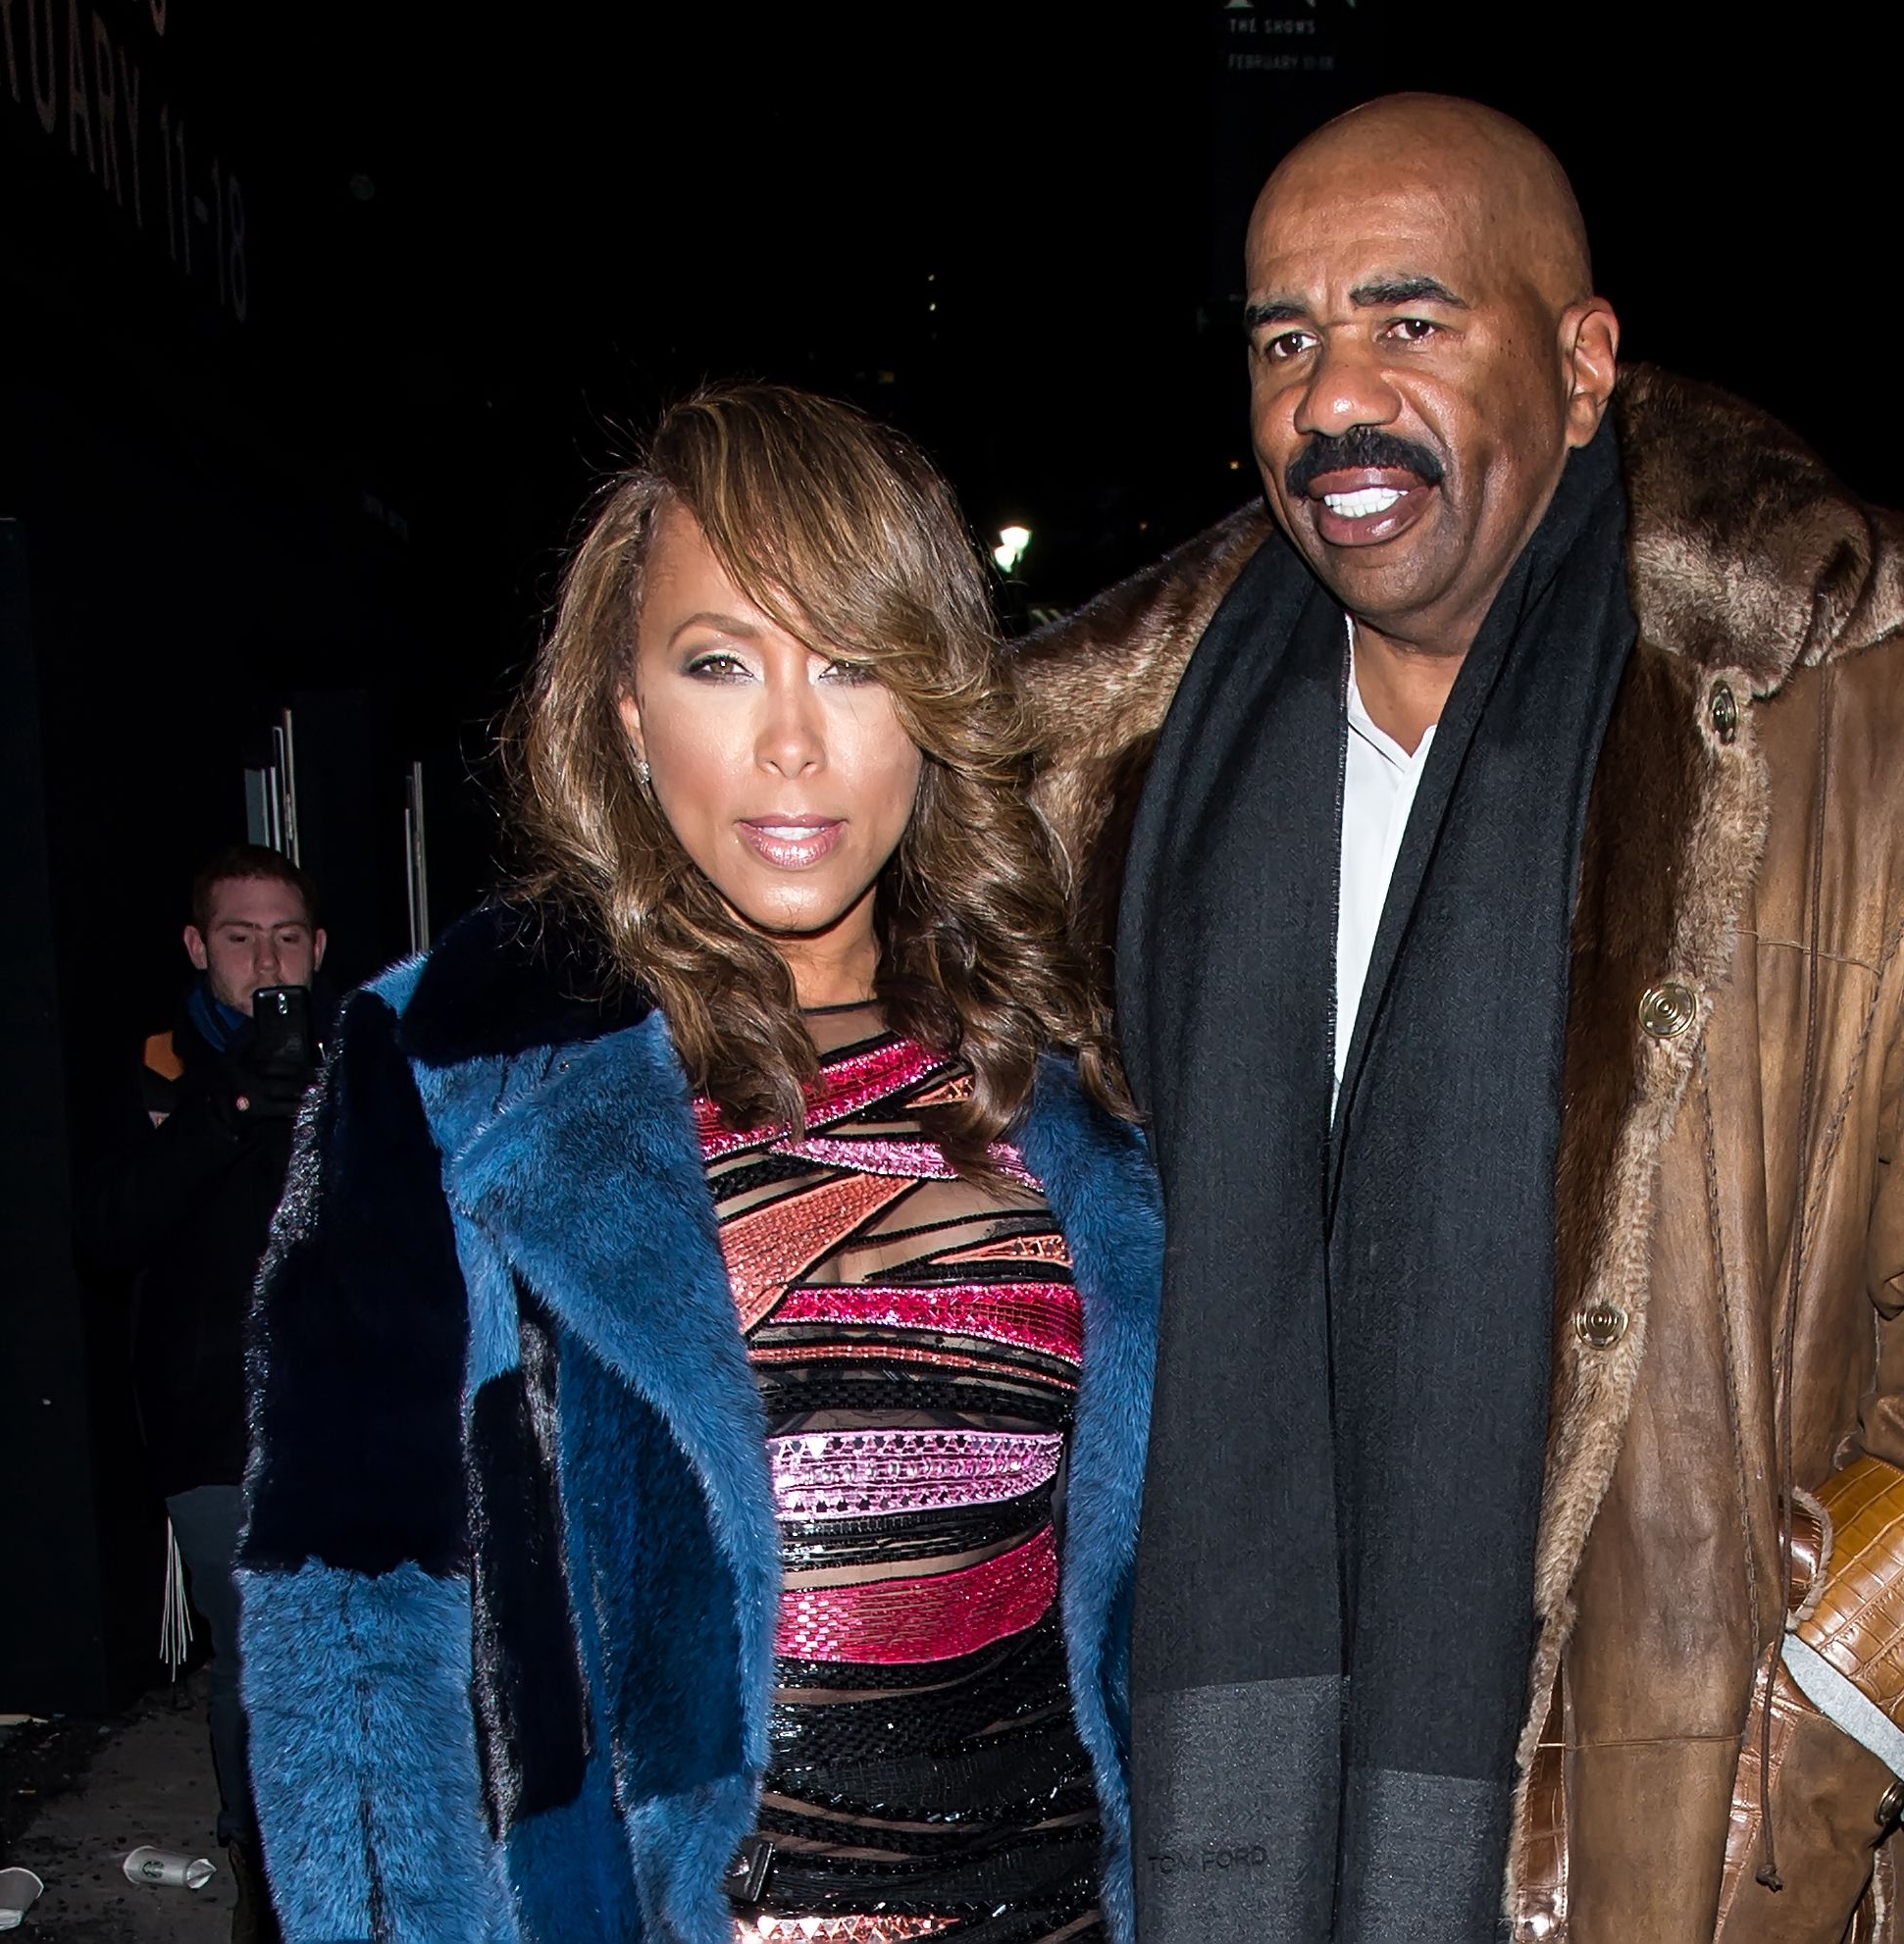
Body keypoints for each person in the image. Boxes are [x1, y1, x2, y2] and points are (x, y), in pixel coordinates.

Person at [1017, 95, 1904, 1942]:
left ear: (1581, 366)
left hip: (1670, 1853)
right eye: (1283, 338)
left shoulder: (1884, 731)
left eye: (1411, 321)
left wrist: (1809, 1737)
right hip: (1193, 1842)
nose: (1335, 398)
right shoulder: (1114, 788)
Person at [234, 384, 1160, 1944]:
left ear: (931, 708)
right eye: (720, 662)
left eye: (853, 665)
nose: (792, 742)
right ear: (625, 712)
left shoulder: (1061, 1068)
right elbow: (351, 1610)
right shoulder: (457, 1068)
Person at [76, 842, 326, 1944]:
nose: (263, 958)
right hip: (213, 1422)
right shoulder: (155, 1065)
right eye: (239, 936)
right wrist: (228, 1113)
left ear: (317, 949)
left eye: (284, 936)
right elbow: (111, 1231)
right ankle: (264, 1885)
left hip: (350, 1416)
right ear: (197, 946)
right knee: (261, 1662)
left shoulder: (364, 1060)